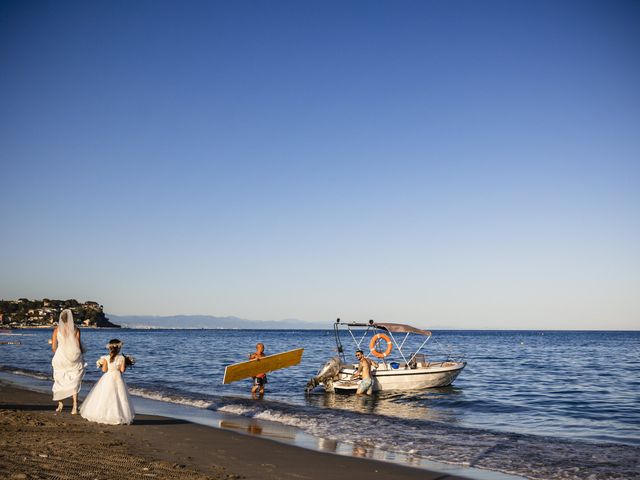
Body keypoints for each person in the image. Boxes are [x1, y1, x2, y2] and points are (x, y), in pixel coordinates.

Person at [80, 339, 135, 425]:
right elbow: (122, 370)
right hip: (117, 378)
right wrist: (126, 364)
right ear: (119, 348)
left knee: (105, 396)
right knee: (119, 397)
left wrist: (101, 364)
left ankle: (102, 414)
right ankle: (119, 416)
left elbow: (104, 370)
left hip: (107, 378)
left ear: (109, 348)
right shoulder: (121, 358)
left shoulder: (105, 358)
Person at [51, 309, 85, 414]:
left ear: (61, 319)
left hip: (61, 356)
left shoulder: (57, 330)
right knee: (74, 380)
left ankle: (60, 403)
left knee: (59, 379)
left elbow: (53, 347)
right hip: (73, 357)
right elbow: (78, 346)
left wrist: (59, 351)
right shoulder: (76, 329)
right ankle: (74, 406)